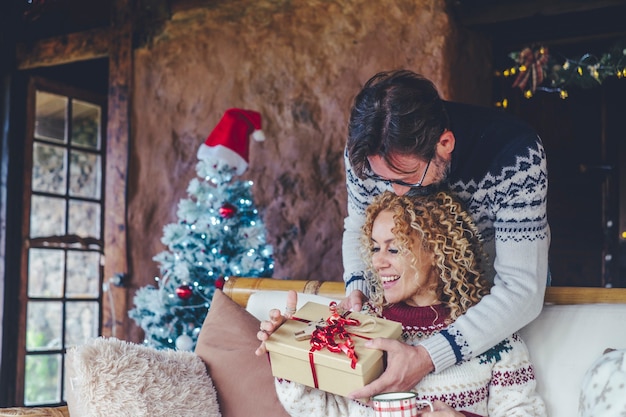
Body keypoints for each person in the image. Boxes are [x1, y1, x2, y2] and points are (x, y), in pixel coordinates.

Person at [341, 69, 550, 398]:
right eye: (383, 179)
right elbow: (357, 225)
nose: (394, 193)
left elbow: (521, 287)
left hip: (490, 304)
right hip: (408, 308)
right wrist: (358, 288)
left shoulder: (515, 153)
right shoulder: (370, 153)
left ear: (445, 143)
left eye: (405, 178)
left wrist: (427, 357)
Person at [257, 191, 547, 416]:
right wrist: (287, 352)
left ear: (436, 251)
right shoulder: (357, 324)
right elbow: (322, 411)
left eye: (394, 248)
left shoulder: (492, 333)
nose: (378, 261)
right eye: (374, 247)